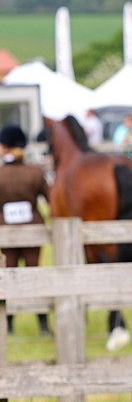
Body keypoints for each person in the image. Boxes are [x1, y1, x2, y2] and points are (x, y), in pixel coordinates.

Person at [0, 125, 52, 336]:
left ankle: (8, 325)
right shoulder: (35, 172)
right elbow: (50, 199)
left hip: (6, 232)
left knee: (8, 275)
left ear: (5, 147)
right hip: (33, 231)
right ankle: (43, 325)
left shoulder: (1, 174)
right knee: (34, 275)